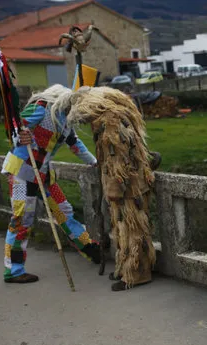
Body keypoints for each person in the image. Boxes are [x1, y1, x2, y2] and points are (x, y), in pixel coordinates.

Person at [1, 85, 100, 283]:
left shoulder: (67, 121)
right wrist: (20, 136)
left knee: (64, 211)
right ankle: (14, 270)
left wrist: (95, 163)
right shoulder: (43, 107)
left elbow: (75, 144)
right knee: (22, 220)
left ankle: (89, 248)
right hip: (22, 172)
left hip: (44, 175)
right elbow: (16, 128)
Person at [66, 86, 159, 292]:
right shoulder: (109, 117)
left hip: (128, 186)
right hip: (129, 183)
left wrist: (116, 187)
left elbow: (119, 157)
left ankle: (137, 274)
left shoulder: (111, 120)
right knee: (122, 228)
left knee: (133, 229)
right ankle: (125, 268)